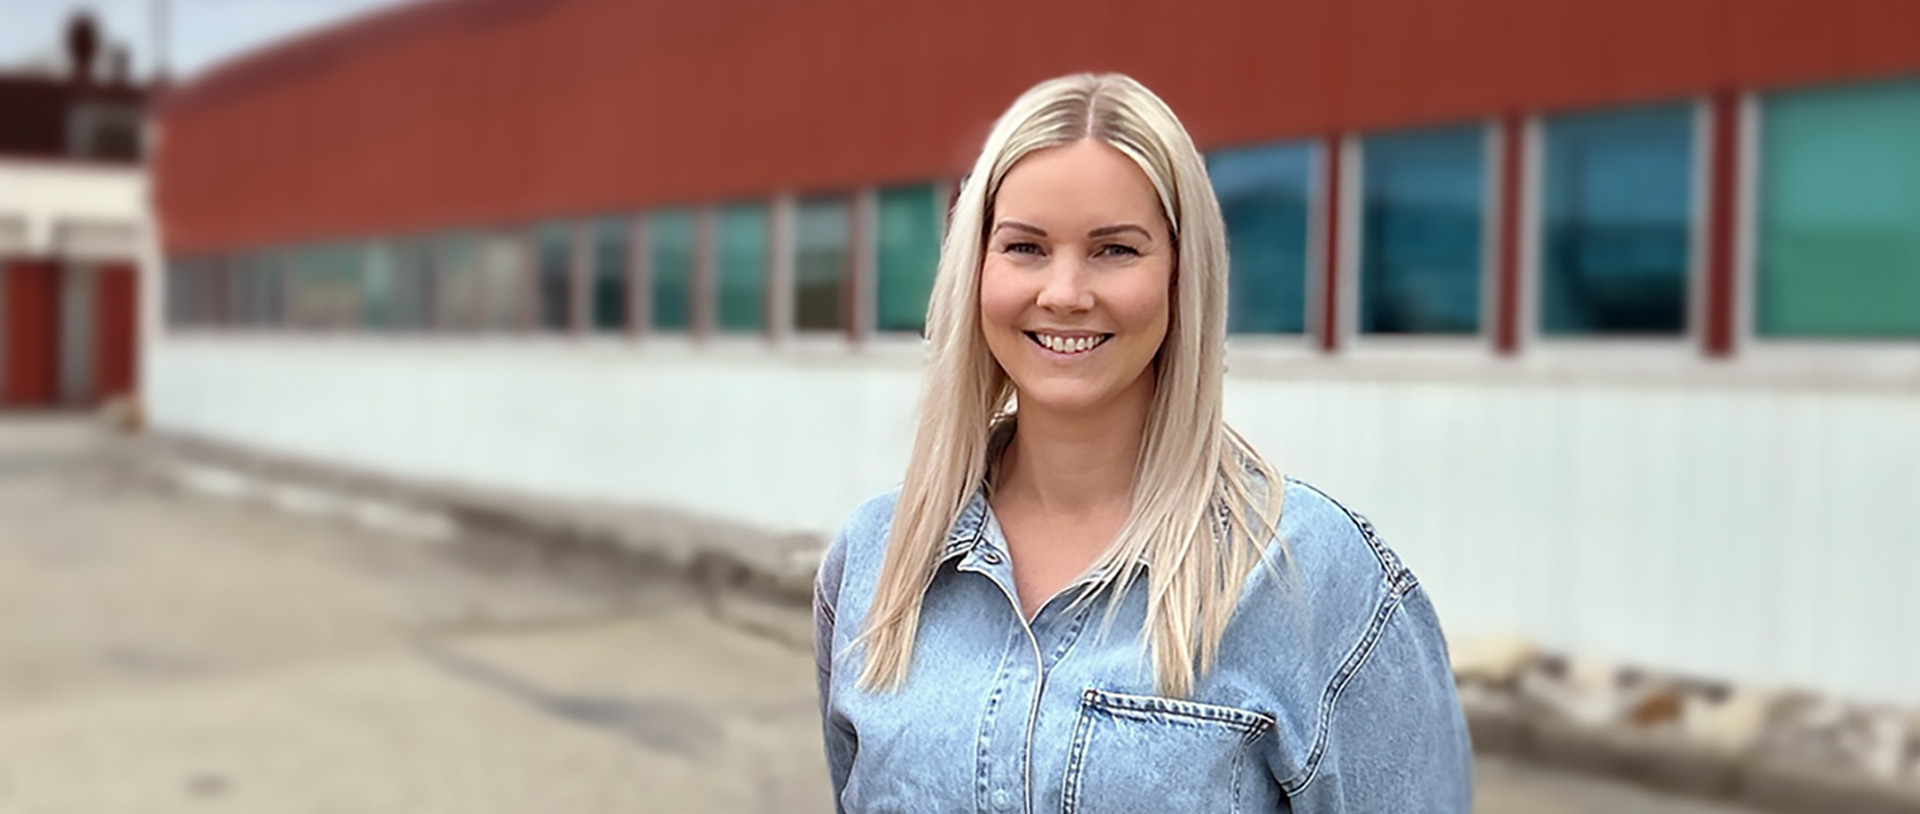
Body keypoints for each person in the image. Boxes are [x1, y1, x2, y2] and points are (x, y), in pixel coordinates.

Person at [812, 73, 1471, 813]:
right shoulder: (878, 558)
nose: (1063, 291)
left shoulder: (1312, 577)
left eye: (1115, 250)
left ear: (1181, 275)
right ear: (976, 271)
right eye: (1025, 246)